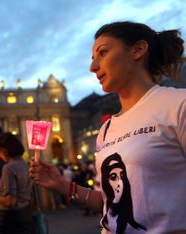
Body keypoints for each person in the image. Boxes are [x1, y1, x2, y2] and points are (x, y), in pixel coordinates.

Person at [29, 21, 186, 234]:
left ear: (138, 50)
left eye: (102, 53)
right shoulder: (106, 129)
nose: (92, 67)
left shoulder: (178, 105)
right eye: (93, 58)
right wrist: (63, 186)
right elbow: (109, 201)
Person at [0, 133, 34, 234]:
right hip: (25, 216)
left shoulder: (8, 168)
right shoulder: (26, 165)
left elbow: (9, 201)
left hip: (8, 219)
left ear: (5, 151)